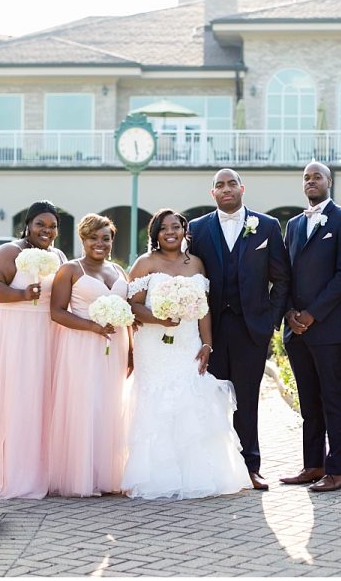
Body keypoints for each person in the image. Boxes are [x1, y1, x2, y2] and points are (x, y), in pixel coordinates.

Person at [121, 209, 251, 499]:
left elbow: (203, 309)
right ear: (155, 233)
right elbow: (132, 305)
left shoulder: (196, 264)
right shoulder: (145, 263)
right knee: (157, 402)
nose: (171, 232)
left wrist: (207, 344)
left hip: (188, 343)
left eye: (176, 227)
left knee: (190, 398)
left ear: (184, 231)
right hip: (154, 345)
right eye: (164, 228)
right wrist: (159, 318)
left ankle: (197, 472)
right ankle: (158, 476)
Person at [188, 169, 291, 491]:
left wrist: (270, 319)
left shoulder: (268, 226)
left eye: (232, 183)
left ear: (242, 188)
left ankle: (251, 467)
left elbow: (282, 278)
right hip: (210, 331)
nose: (226, 189)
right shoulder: (197, 228)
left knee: (247, 400)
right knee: (212, 399)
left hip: (252, 329)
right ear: (212, 193)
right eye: (220, 185)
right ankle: (213, 467)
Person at [0, 200, 66, 499]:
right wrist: (20, 294)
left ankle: (40, 470)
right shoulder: (10, 252)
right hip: (14, 334)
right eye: (40, 224)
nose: (47, 230)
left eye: (52, 225)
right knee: (15, 397)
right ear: (28, 225)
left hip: (47, 333)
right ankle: (9, 472)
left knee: (42, 399)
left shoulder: (58, 255)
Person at [280, 162, 341, 493]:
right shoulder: (295, 224)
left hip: (327, 328)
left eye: (317, 177)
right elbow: (285, 273)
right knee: (308, 400)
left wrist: (312, 313)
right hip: (296, 330)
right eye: (306, 178)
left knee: (332, 397)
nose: (311, 181)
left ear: (329, 182)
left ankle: (337, 469)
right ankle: (312, 465)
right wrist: (288, 313)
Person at [48, 214, 130, 497]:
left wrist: (130, 352)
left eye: (105, 238)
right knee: (85, 405)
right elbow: (56, 312)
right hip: (82, 345)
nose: (100, 243)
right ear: (83, 239)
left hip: (115, 346)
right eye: (93, 237)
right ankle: (82, 476)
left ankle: (107, 474)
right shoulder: (70, 270)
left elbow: (128, 311)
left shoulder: (119, 271)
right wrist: (93, 327)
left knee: (110, 405)